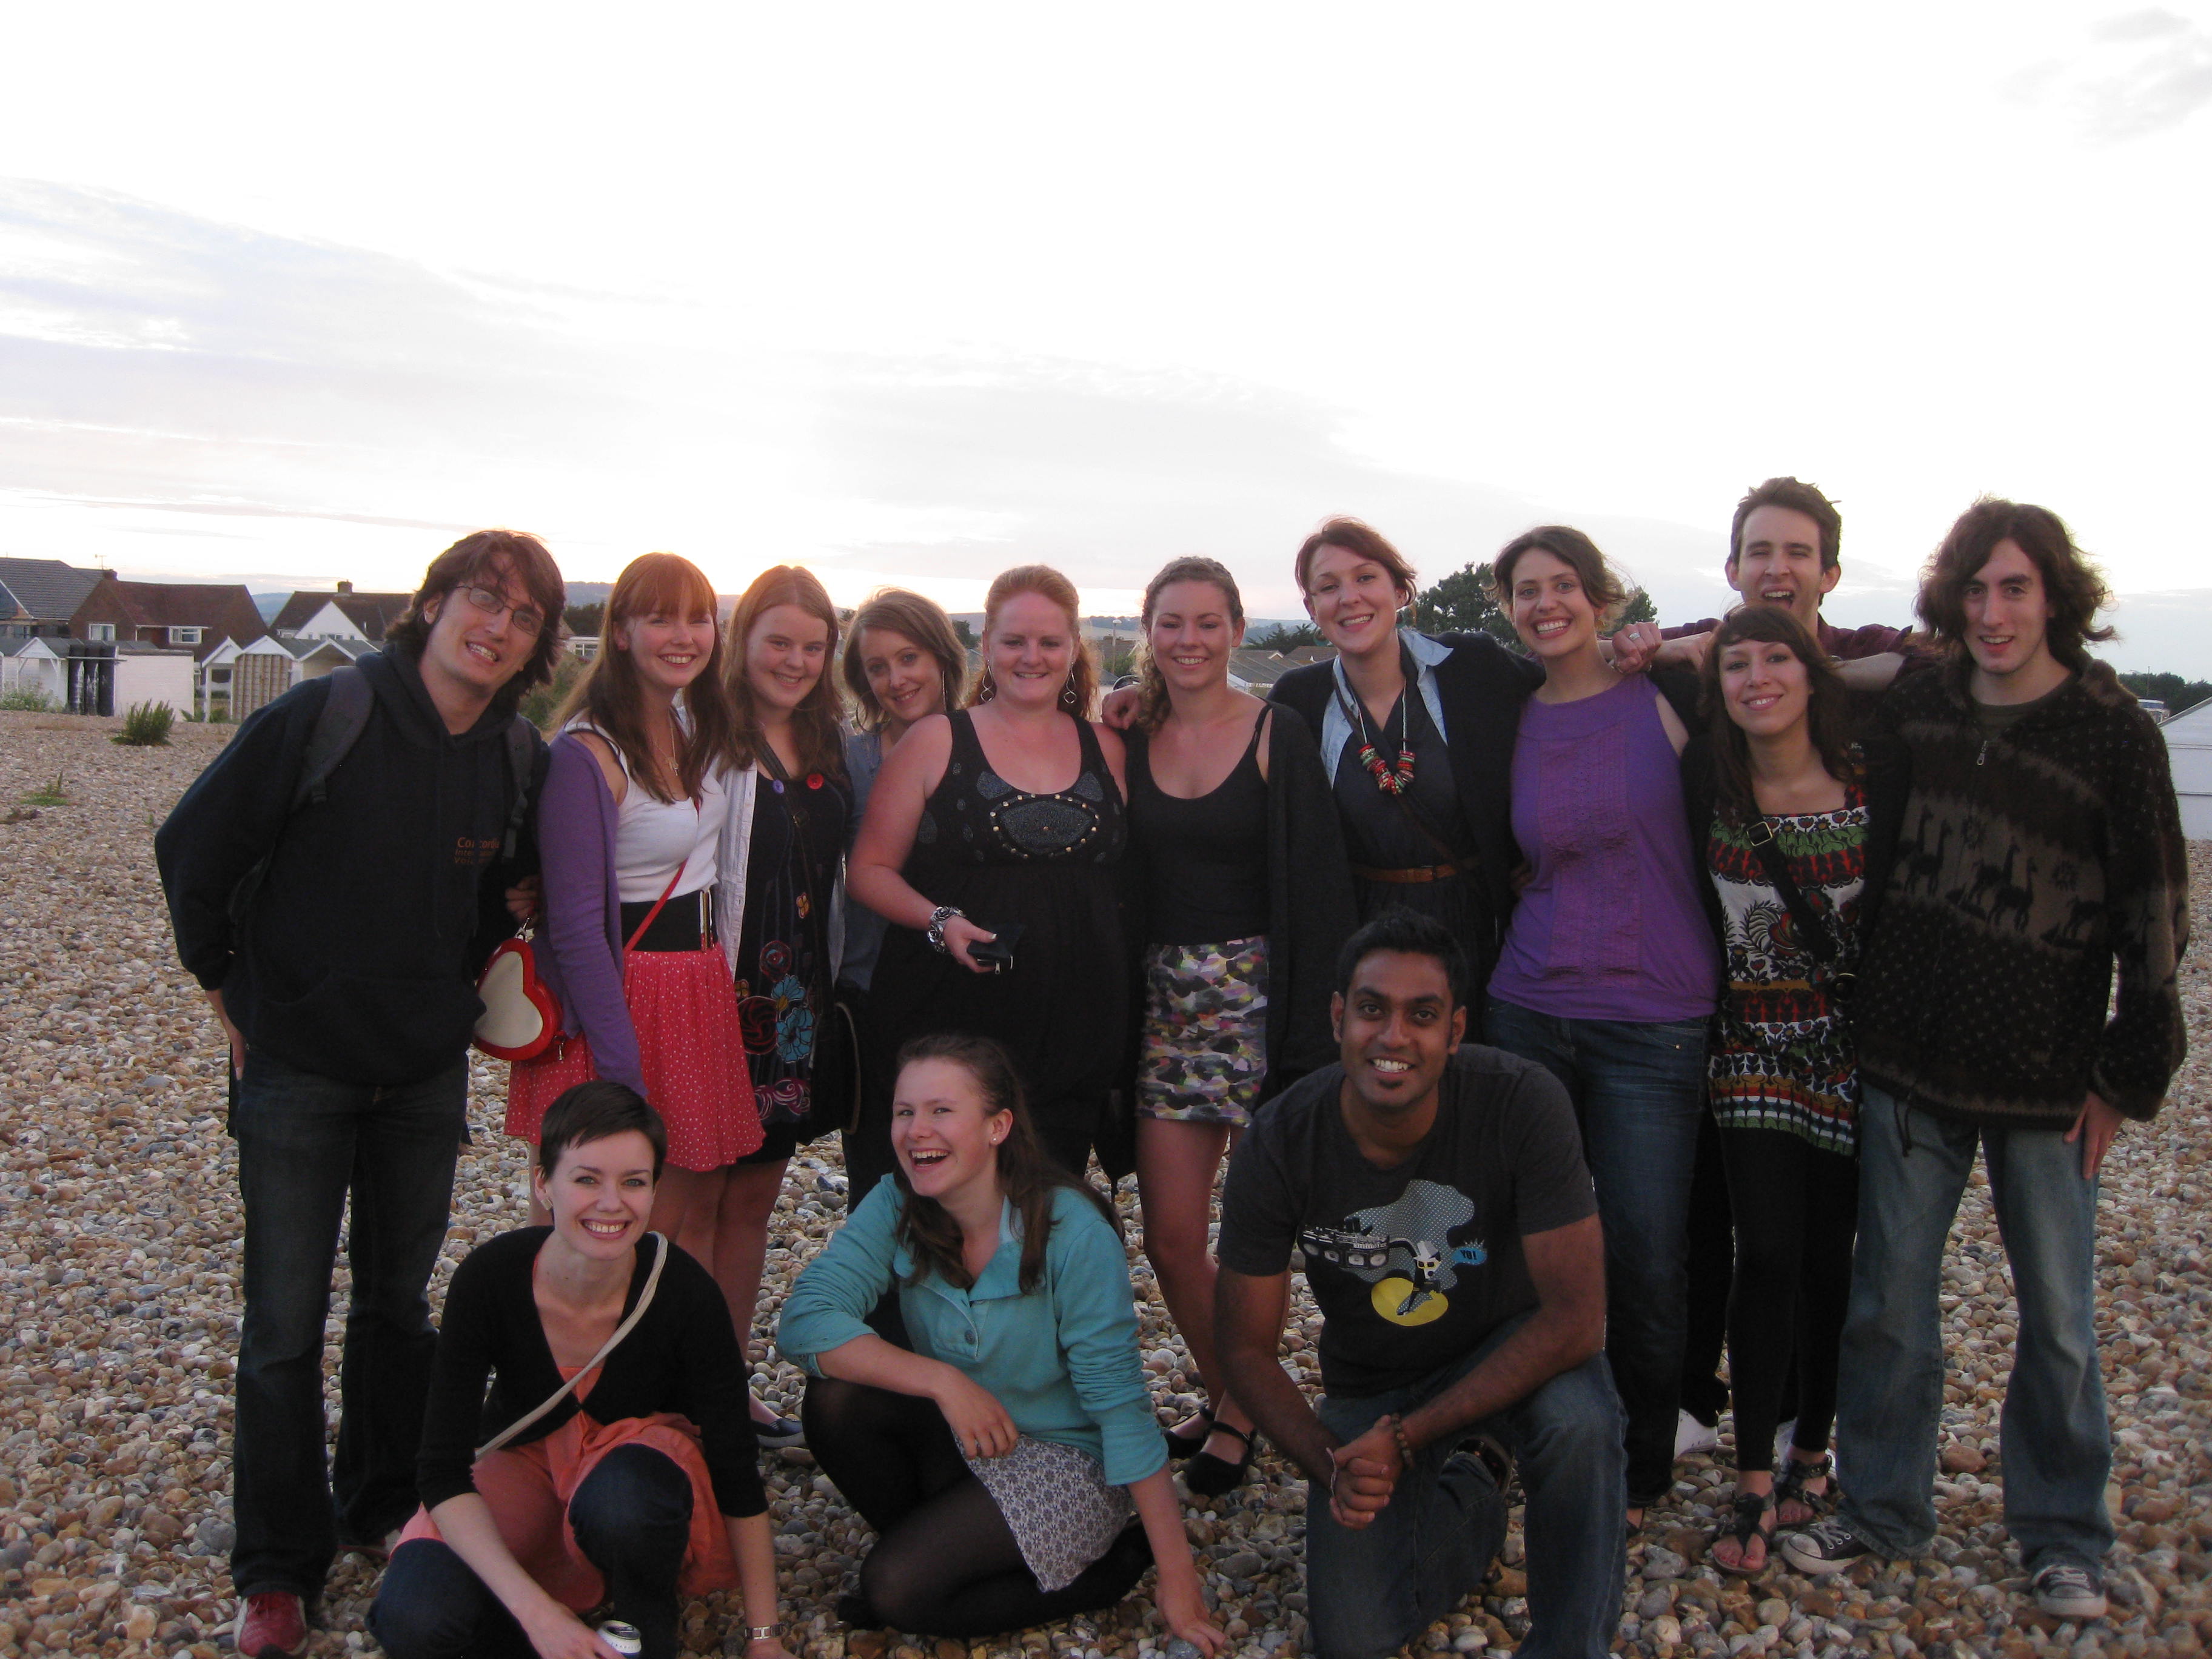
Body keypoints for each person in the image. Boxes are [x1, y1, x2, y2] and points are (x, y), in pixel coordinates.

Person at [155, 529, 564, 1658]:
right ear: (433, 604)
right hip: (297, 1064)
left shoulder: (515, 757)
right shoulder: (325, 714)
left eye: (524, 617)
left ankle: (379, 1503)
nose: (496, 627)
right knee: (283, 1326)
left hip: (422, 1070)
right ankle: (276, 1568)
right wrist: (225, 988)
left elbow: (501, 901)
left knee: (398, 1307)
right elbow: (192, 848)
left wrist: (515, 907)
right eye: (482, 599)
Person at [1782, 501, 2189, 1624]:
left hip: (2047, 1077)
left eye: (2014, 588)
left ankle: (2063, 1532)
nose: (1994, 612)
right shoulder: (1924, 703)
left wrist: (2127, 1073)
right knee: (1888, 1305)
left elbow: (2156, 908)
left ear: (2055, 595)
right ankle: (1881, 1506)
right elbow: (1817, 676)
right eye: (1973, 591)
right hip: (1909, 1056)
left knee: (2056, 1317)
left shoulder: (2112, 731)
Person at [1213, 911, 1624, 1659]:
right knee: (1354, 1638)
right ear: (1338, 1017)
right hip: (1375, 1378)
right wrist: (1333, 1467)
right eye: (1372, 1009)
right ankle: (1475, 1490)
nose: (1394, 1036)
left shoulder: (1522, 1101)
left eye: (1423, 1016)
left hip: (1512, 1353)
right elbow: (1243, 1349)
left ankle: (1572, 1646)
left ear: (1456, 1030)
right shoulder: (1279, 1140)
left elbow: (1576, 1319)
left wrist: (1410, 1438)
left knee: (1581, 1425)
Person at [777, 1034, 1225, 1651]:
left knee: (895, 1591)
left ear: (998, 1126)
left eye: (941, 1110)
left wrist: (1177, 1575)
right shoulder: (898, 1200)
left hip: (1068, 1462)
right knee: (836, 1399)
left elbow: (1121, 1406)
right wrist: (942, 1381)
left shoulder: (1071, 1230)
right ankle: (945, 1548)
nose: (916, 1131)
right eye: (905, 1112)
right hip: (969, 1433)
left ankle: (1110, 1570)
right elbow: (805, 1319)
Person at [1660, 478, 1914, 1463]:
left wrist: (1829, 671)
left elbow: (1938, 659)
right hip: (1735, 1026)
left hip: (1845, 1036)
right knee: (1723, 1221)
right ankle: (1704, 1399)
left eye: (1796, 552)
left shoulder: (1871, 714)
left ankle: (1808, 1423)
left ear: (1828, 572)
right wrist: (1665, 648)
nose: (1777, 568)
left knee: (1826, 1246)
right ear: (1732, 569)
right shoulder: (1700, 685)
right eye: (1759, 551)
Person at [370, 1083, 792, 1659]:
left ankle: (646, 1627)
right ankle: (552, 1637)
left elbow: (736, 1469)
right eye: (587, 1179)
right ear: (544, 1184)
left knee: (624, 1505)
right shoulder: (491, 1279)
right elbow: (442, 1472)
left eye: (634, 1182)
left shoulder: (685, 1292)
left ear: (655, 1189)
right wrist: (537, 1614)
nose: (611, 1203)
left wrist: (765, 1638)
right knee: (415, 1620)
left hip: (636, 1473)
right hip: (527, 1464)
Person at [1478, 525, 1715, 1529]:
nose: (1546, 605)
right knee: (1527, 1248)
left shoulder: (1665, 691)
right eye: (1526, 591)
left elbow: (1785, 655)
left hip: (1654, 1019)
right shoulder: (1508, 717)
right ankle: (1535, 1434)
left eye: (1564, 586)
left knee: (1646, 1255)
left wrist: (1680, 641)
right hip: (1528, 1005)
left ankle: (1638, 1461)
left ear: (1601, 598)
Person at [1119, 555, 1359, 1495]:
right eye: (1171, 623)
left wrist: (1322, 1032)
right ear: (1149, 633)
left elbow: (1320, 888)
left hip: (1266, 1009)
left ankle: (1264, 1409)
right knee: (1173, 1238)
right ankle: (1235, 1396)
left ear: (1236, 631)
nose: (1189, 641)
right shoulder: (1130, 733)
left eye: (1207, 623)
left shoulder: (1274, 733)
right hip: (1167, 1013)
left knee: (1270, 1239)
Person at [504, 550, 761, 1276]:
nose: (684, 636)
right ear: (620, 632)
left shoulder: (689, 725)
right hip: (624, 998)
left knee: (680, 1217)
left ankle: (659, 1349)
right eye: (660, 619)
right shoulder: (588, 753)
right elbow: (576, 928)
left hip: (695, 985)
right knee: (593, 1223)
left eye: (698, 619)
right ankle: (562, 1348)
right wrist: (620, 1069)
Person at [849, 564, 1131, 1181]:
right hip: (949, 1027)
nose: (1032, 657)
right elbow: (868, 870)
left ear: (1073, 649)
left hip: (1074, 1031)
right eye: (1014, 641)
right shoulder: (935, 741)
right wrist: (940, 920)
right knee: (937, 1204)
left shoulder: (1109, 747)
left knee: (1043, 1202)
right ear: (986, 645)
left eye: (1049, 642)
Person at [718, 565, 853, 1442]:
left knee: (753, 1206)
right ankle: (675, 1391)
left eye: (813, 646)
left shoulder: (830, 738)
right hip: (716, 995)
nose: (795, 661)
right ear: (744, 642)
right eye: (779, 642)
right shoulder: (703, 734)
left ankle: (726, 1383)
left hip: (797, 1003)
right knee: (690, 1205)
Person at [836, 588, 970, 1211]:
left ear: (942, 657)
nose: (897, 679)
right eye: (878, 667)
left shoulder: (986, 742)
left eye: (909, 658)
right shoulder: (849, 760)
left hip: (964, 989)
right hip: (872, 988)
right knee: (879, 1176)